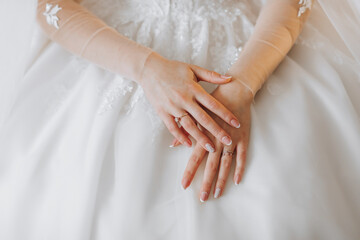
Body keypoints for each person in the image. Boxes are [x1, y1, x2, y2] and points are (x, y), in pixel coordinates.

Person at [0, 0, 359, 239]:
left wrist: (242, 87)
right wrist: (145, 68)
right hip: (116, 51)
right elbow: (53, 6)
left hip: (252, 51)